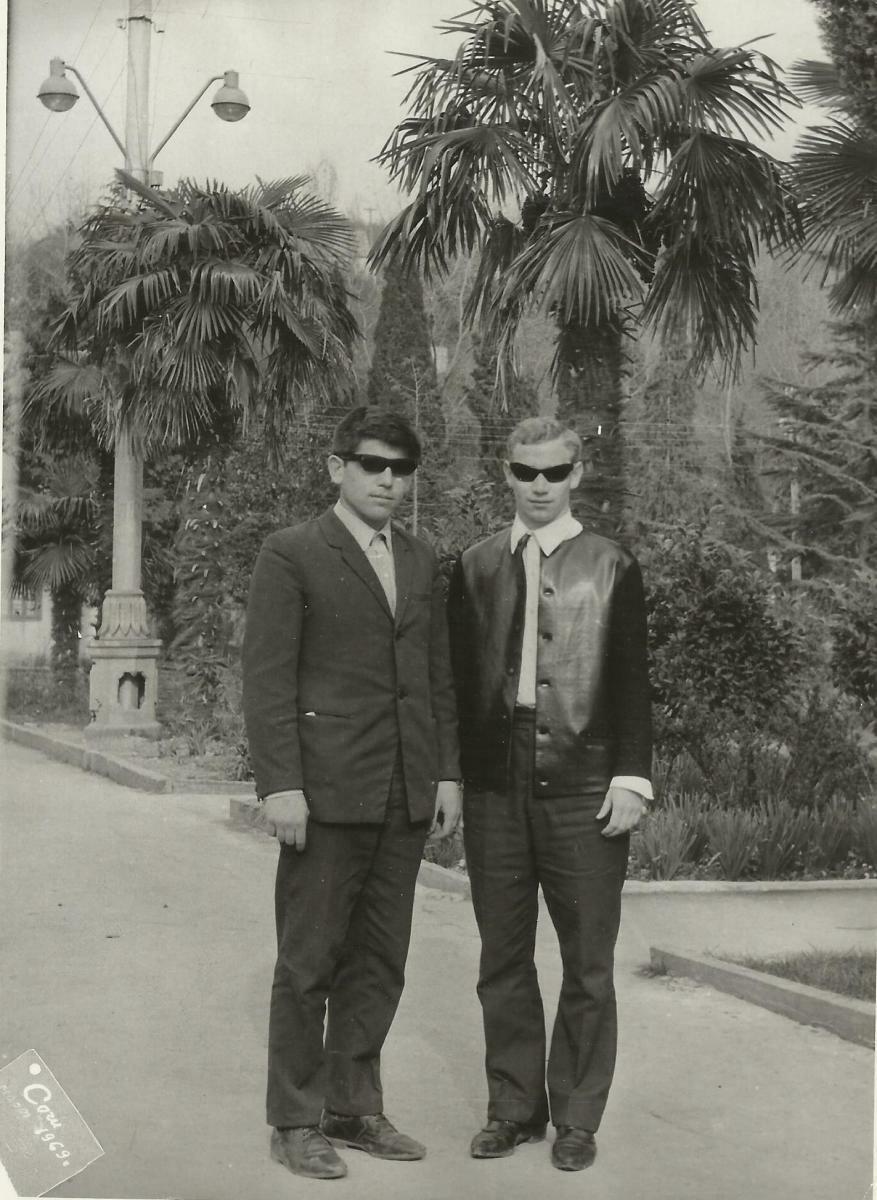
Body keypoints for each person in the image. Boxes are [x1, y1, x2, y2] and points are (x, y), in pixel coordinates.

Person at [242, 407, 461, 1181]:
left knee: (379, 962)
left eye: (400, 469)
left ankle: (353, 1106)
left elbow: (435, 675)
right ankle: (295, 1121)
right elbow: (268, 678)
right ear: (337, 468)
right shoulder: (293, 552)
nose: (387, 481)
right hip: (325, 796)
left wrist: (445, 773)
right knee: (308, 964)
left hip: (402, 793)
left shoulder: (420, 557)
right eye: (372, 465)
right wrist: (281, 785)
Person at [447, 415, 652, 1173]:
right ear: (505, 473)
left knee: (587, 961)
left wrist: (630, 777)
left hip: (584, 786)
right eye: (525, 472)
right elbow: (453, 684)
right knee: (501, 955)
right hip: (494, 786)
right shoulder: (474, 565)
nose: (539, 486)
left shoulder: (612, 565)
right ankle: (512, 1109)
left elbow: (633, 682)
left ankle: (576, 1118)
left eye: (554, 473)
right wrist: (451, 778)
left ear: (576, 476)